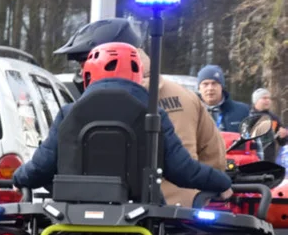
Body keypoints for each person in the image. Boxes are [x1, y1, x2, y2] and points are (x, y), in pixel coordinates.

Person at [13, 42, 232, 203]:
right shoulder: (154, 116)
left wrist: (19, 177)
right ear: (136, 74)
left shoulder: (69, 114)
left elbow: (41, 167)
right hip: (141, 224)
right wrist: (221, 183)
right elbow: (183, 170)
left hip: (73, 221)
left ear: (89, 74)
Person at [137, 50, 227, 206]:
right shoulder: (187, 96)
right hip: (184, 206)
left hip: (121, 209)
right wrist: (214, 185)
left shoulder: (103, 101)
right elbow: (213, 151)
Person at [196, 65, 249, 133]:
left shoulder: (242, 111)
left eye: (214, 83)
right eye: (205, 84)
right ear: (199, 88)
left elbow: (251, 140)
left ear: (222, 86)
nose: (210, 88)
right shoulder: (190, 111)